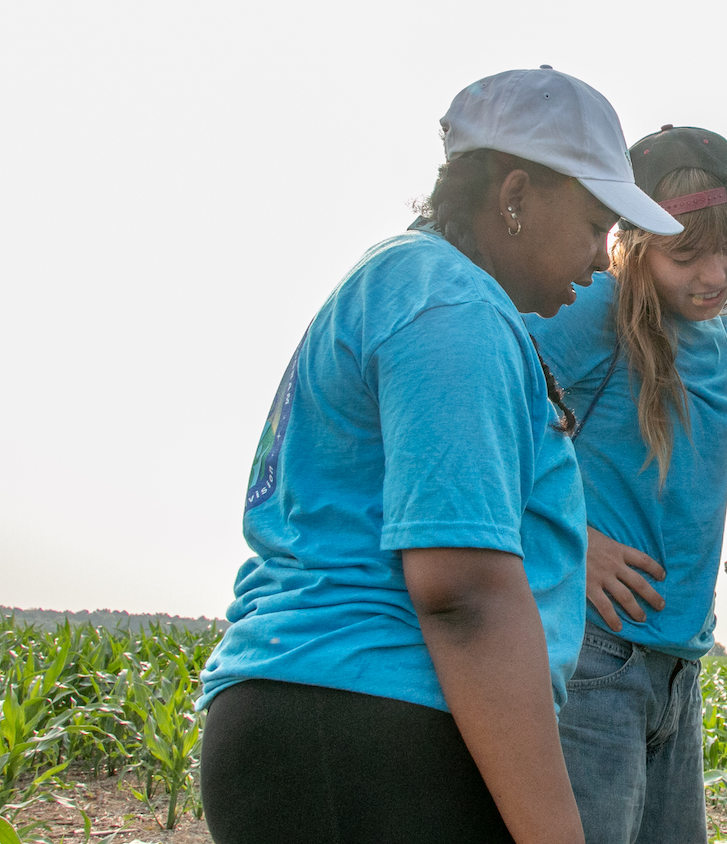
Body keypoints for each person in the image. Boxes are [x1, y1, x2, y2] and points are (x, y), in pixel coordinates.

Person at [197, 66, 683, 844]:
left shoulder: (407, 286)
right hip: (371, 730)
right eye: (597, 225)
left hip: (320, 716)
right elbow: (463, 592)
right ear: (515, 194)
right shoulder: (453, 309)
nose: (603, 259)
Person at [524, 124, 727, 844]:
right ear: (631, 243)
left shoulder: (720, 334)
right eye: (685, 255)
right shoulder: (592, 311)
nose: (715, 275)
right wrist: (573, 541)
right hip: (595, 658)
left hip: (677, 665)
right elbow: (479, 419)